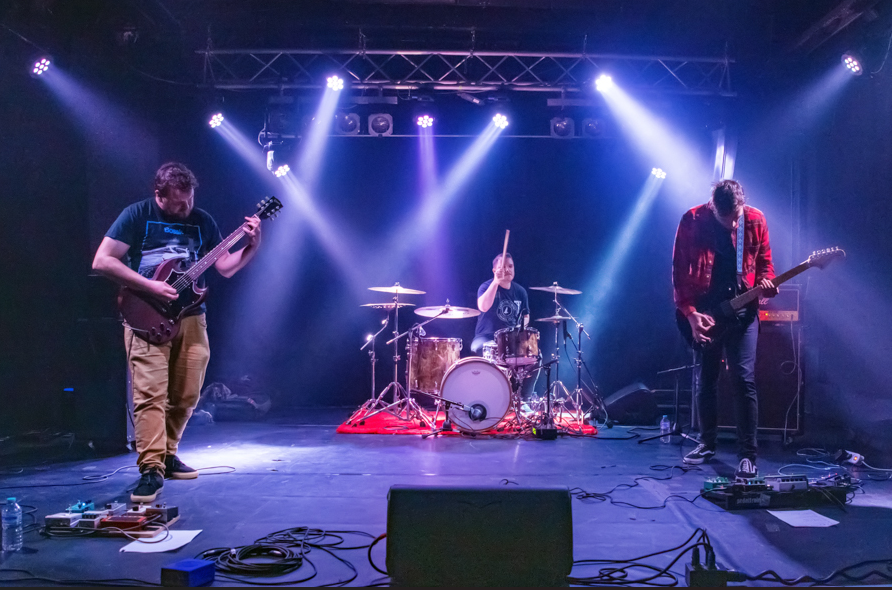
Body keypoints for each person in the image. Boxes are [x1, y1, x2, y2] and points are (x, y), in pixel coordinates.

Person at [92, 162, 261, 502]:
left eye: (190, 200)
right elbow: (103, 261)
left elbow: (225, 268)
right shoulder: (137, 215)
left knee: (187, 395)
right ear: (160, 195)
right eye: (179, 203)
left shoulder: (202, 221)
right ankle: (151, 468)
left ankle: (167, 454)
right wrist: (150, 286)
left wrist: (252, 245)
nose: (186, 208)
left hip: (191, 316)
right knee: (150, 394)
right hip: (144, 313)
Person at [672, 179, 777, 479]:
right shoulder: (692, 220)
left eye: (736, 217)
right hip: (705, 312)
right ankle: (707, 444)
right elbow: (679, 272)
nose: (732, 225)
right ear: (713, 207)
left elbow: (766, 263)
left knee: (743, 380)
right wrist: (691, 314)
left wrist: (767, 282)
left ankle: (748, 456)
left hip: (743, 312)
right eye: (725, 218)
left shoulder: (756, 219)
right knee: (706, 380)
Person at [471, 253, 530, 355]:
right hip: (486, 337)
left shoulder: (520, 291)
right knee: (481, 348)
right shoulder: (485, 287)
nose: (507, 270)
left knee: (528, 353)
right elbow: (483, 307)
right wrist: (496, 282)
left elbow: (526, 316)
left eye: (510, 266)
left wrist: (519, 329)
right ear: (494, 271)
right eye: (503, 267)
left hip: (511, 339)